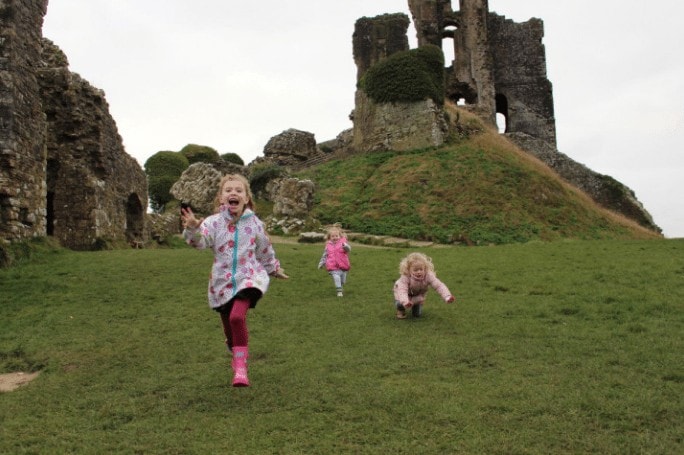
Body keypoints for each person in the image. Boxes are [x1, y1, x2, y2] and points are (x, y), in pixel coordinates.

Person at [181, 174, 288, 387]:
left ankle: (240, 368)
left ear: (246, 198)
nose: (233, 193)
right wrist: (193, 228)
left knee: (237, 318)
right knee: (230, 326)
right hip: (221, 282)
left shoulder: (255, 224)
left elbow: (264, 248)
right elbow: (199, 243)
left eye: (239, 190)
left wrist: (273, 268)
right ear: (221, 198)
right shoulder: (212, 223)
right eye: (228, 190)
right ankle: (233, 345)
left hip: (250, 277)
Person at [393, 252, 455, 319]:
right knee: (400, 303)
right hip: (403, 294)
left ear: (424, 268)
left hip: (418, 296)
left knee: (417, 315)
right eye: (415, 270)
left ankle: (415, 304)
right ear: (409, 269)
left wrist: (447, 296)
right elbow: (402, 291)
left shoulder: (428, 276)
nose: (419, 272)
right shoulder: (405, 277)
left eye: (421, 269)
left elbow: (439, 286)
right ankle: (401, 310)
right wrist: (405, 302)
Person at [317, 225, 351, 297]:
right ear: (329, 237)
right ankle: (339, 292)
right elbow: (325, 255)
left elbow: (348, 250)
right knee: (336, 277)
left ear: (339, 236)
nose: (335, 237)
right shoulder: (328, 246)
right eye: (333, 236)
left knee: (343, 281)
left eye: (336, 236)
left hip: (343, 266)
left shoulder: (343, 243)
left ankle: (340, 286)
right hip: (333, 266)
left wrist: (346, 247)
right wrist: (321, 263)